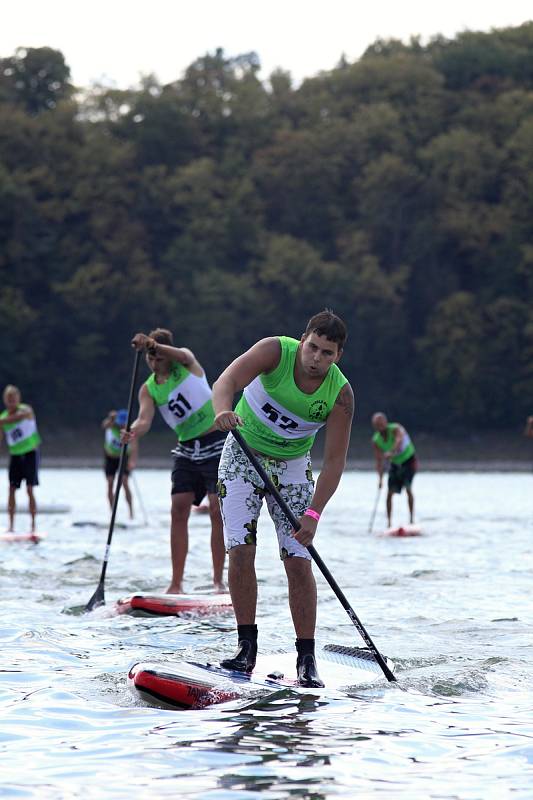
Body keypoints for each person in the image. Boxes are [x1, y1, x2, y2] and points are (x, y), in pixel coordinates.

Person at [212, 309, 354, 688]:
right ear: (302, 339)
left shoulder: (339, 395)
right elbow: (226, 381)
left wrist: (314, 515)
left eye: (327, 353)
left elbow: (335, 462)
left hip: (292, 469)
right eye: (312, 348)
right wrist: (224, 409)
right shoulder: (274, 351)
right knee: (241, 550)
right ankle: (246, 649)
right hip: (242, 455)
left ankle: (306, 658)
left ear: (338, 356)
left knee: (297, 561)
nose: (316, 359)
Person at [122, 328, 227, 594]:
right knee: (178, 510)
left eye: (158, 357)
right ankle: (176, 584)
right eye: (150, 358)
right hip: (186, 449)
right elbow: (144, 419)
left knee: (217, 511)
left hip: (216, 442)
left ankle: (218, 582)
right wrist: (133, 431)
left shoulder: (186, 364)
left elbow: (181, 353)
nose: (154, 362)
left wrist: (153, 344)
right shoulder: (149, 389)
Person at [0, 385, 41, 533]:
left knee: (29, 489)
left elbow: (23, 416)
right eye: (8, 399)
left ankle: (33, 526)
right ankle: (11, 526)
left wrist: (4, 421)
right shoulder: (2, 418)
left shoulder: (26, 409)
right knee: (11, 489)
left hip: (31, 453)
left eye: (13, 399)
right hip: (15, 455)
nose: (11, 402)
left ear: (18, 398)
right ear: (5, 400)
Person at [371, 412, 417, 527]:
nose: (380, 427)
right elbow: (379, 461)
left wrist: (391, 452)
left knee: (408, 489)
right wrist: (380, 479)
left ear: (386, 423)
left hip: (408, 461)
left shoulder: (396, 429)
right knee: (389, 493)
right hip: (395, 464)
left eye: (381, 424)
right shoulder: (376, 440)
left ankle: (411, 520)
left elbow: (398, 441)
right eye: (377, 425)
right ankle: (389, 523)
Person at [101, 408, 137, 518]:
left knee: (124, 483)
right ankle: (112, 513)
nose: (122, 425)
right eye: (120, 423)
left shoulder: (131, 430)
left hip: (123, 458)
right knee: (110, 483)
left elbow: (135, 447)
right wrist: (111, 417)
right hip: (110, 458)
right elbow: (104, 425)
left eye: (124, 423)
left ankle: (131, 513)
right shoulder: (111, 426)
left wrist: (132, 461)